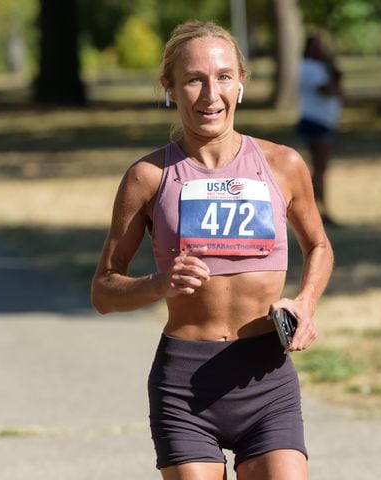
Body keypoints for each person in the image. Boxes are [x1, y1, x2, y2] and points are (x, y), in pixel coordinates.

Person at [91, 20, 333, 480]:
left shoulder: (283, 165)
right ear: (170, 87)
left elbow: (318, 244)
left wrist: (305, 304)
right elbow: (104, 291)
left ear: (242, 81)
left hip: (266, 379)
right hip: (185, 386)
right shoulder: (148, 177)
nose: (210, 95)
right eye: (193, 80)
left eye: (223, 77)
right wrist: (159, 283)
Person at [296, 34, 343, 227]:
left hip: (319, 121)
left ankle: (319, 209)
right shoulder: (312, 68)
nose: (320, 50)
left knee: (319, 168)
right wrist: (337, 78)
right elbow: (328, 90)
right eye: (316, 46)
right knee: (320, 169)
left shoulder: (311, 67)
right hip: (317, 121)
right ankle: (319, 210)